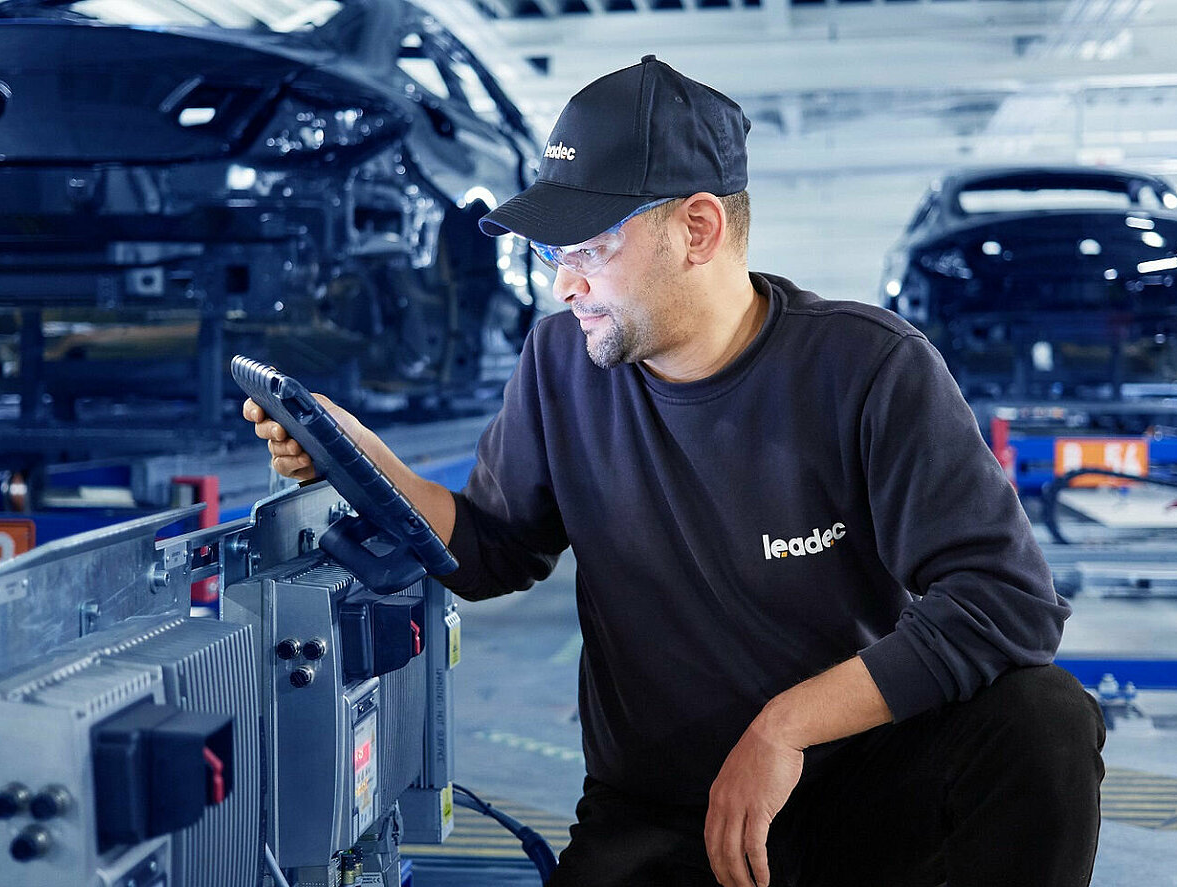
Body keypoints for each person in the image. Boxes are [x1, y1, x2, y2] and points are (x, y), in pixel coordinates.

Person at [245, 55, 1105, 887]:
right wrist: (358, 455)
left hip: (857, 795)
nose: (565, 287)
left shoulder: (869, 369)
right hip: (658, 816)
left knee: (1044, 723)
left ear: (698, 228)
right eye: (555, 256)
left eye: (588, 247)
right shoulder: (560, 366)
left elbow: (1007, 602)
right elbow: (492, 549)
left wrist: (786, 727)